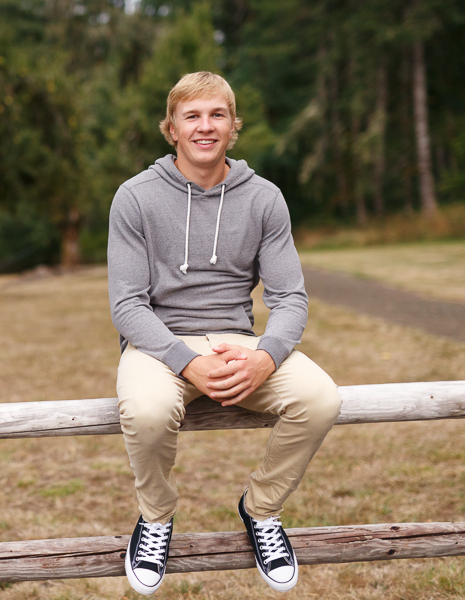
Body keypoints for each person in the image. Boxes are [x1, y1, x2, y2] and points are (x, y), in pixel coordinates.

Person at [107, 71, 342, 596]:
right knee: (145, 411)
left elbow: (290, 298)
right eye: (192, 116)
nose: (205, 127)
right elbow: (126, 303)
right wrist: (185, 361)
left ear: (234, 126)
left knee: (320, 398)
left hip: (238, 341)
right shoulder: (134, 197)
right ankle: (156, 519)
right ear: (170, 127)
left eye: (217, 115)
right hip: (157, 343)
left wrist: (267, 357)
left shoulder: (265, 199)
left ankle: (261, 509)